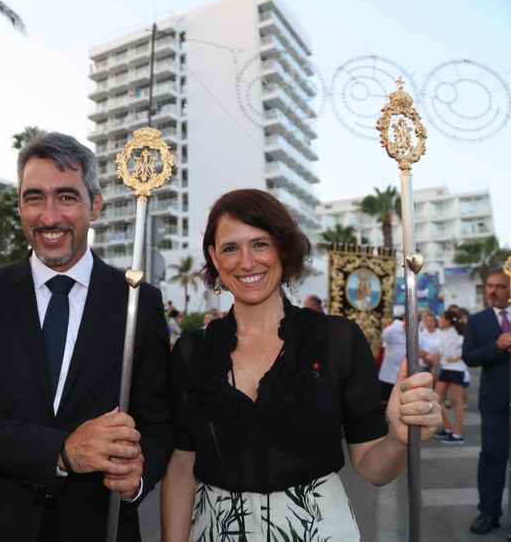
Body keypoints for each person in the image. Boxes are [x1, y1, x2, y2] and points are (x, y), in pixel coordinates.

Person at [160, 189, 440, 541]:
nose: (246, 262)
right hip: (216, 531)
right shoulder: (192, 351)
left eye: (260, 244)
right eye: (230, 248)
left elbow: (373, 468)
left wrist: (399, 439)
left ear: (283, 248)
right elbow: (181, 467)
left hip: (318, 530)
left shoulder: (337, 340)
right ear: (215, 258)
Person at [0, 132, 172, 542]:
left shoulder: (139, 303)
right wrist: (61, 452)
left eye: (66, 197)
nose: (49, 217)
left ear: (94, 205)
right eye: (34, 198)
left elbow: (158, 421)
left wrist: (138, 476)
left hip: (98, 526)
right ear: (19, 207)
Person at [462, 269, 511, 535]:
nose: (492, 291)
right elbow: (469, 357)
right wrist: (498, 346)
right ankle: (489, 513)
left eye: (500, 286)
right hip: (495, 402)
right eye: (490, 286)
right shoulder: (477, 321)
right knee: (492, 457)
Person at [432, 309, 467, 445]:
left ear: (447, 321)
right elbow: (440, 353)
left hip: (457, 369)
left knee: (457, 402)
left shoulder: (459, 333)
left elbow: (466, 349)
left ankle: (457, 434)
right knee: (436, 398)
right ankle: (448, 428)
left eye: (442, 318)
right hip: (445, 369)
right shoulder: (442, 333)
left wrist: (457, 358)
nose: (439, 320)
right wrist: (434, 368)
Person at [378, 316, 406, 401]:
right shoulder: (394, 328)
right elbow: (384, 336)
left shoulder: (414, 332)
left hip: (402, 373)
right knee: (385, 399)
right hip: (388, 374)